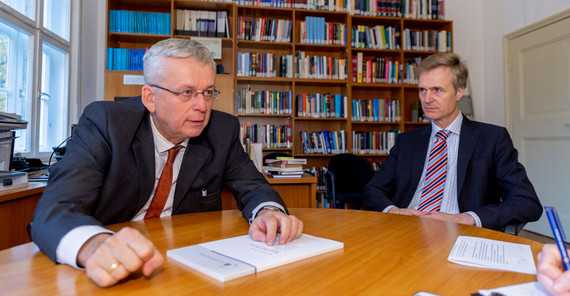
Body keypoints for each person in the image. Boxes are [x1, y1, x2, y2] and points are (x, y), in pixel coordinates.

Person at [30, 38, 303, 288]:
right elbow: (55, 210)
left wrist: (268, 211)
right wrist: (93, 245)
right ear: (150, 97)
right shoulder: (105, 122)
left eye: (208, 92)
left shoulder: (222, 130)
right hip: (111, 268)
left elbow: (252, 185)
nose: (202, 106)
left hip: (187, 266)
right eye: (187, 92)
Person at [362, 52, 542, 231]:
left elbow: (527, 202)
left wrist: (469, 218)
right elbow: (373, 190)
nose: (427, 99)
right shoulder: (407, 142)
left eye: (437, 90)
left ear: (459, 92)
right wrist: (393, 211)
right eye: (422, 90)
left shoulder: (492, 139)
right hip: (406, 230)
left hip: (461, 233)